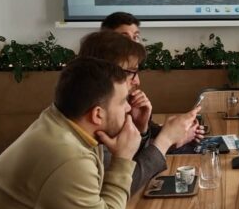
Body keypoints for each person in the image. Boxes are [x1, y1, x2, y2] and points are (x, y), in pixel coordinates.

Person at [0, 58, 141, 209]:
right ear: (97, 114)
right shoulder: (67, 154)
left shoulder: (62, 125)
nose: (128, 108)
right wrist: (123, 160)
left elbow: (98, 207)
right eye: (123, 101)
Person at [78, 30, 203, 194]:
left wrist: (141, 128)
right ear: (105, 72)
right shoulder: (95, 118)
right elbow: (123, 186)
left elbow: (130, 166)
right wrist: (166, 140)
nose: (137, 81)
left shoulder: (110, 107)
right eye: (131, 72)